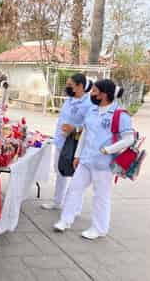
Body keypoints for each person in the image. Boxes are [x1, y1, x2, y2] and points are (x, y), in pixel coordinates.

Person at [54, 79, 135, 240]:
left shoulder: (120, 114)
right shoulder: (92, 111)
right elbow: (84, 134)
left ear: (104, 94)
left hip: (103, 164)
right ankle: (65, 220)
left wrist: (109, 150)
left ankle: (99, 228)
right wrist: (77, 155)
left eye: (95, 91)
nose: (91, 93)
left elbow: (129, 138)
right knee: (74, 189)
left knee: (101, 196)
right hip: (85, 160)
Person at [41, 73, 93, 211]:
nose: (67, 87)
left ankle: (75, 207)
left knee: (77, 176)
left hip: (75, 145)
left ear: (80, 86)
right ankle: (57, 201)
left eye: (70, 85)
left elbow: (91, 126)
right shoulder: (69, 100)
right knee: (60, 171)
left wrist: (75, 129)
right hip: (60, 142)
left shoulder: (89, 104)